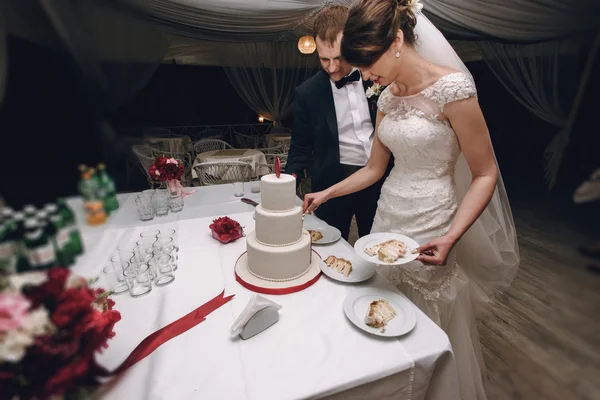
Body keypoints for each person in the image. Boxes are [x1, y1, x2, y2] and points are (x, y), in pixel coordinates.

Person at [302, 0, 520, 399]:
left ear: (397, 40)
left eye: (368, 64)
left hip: (435, 218)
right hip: (389, 213)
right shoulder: (386, 97)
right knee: (385, 308)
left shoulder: (454, 89)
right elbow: (373, 169)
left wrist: (452, 236)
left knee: (427, 317)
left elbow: (485, 173)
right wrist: (327, 192)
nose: (366, 76)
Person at [285, 4, 392, 241]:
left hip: (381, 178)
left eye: (339, 58)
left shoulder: (379, 77)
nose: (332, 68)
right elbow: (300, 147)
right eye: (324, 59)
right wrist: (286, 183)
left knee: (377, 243)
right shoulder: (307, 93)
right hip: (331, 182)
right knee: (331, 245)